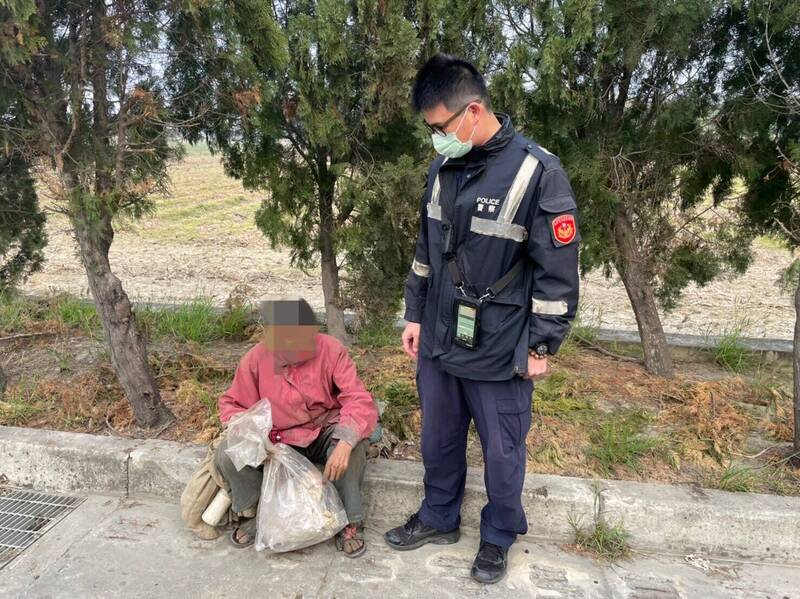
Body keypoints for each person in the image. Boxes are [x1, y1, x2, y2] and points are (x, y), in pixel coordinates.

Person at [383, 54, 580, 583]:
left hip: (501, 345)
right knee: (438, 440)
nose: (435, 140)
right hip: (441, 338)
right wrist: (415, 314)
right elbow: (425, 248)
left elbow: (558, 274)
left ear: (473, 112)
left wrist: (541, 346)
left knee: (503, 448)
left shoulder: (538, 172)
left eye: (440, 128)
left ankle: (497, 537)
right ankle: (438, 516)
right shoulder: (443, 167)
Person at [215, 299, 378, 557]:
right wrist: (255, 435)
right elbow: (232, 405)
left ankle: (349, 521)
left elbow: (358, 399)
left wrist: (345, 442)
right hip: (277, 440)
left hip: (324, 429)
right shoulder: (256, 358)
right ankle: (258, 513)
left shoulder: (331, 350)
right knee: (227, 452)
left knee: (354, 447)